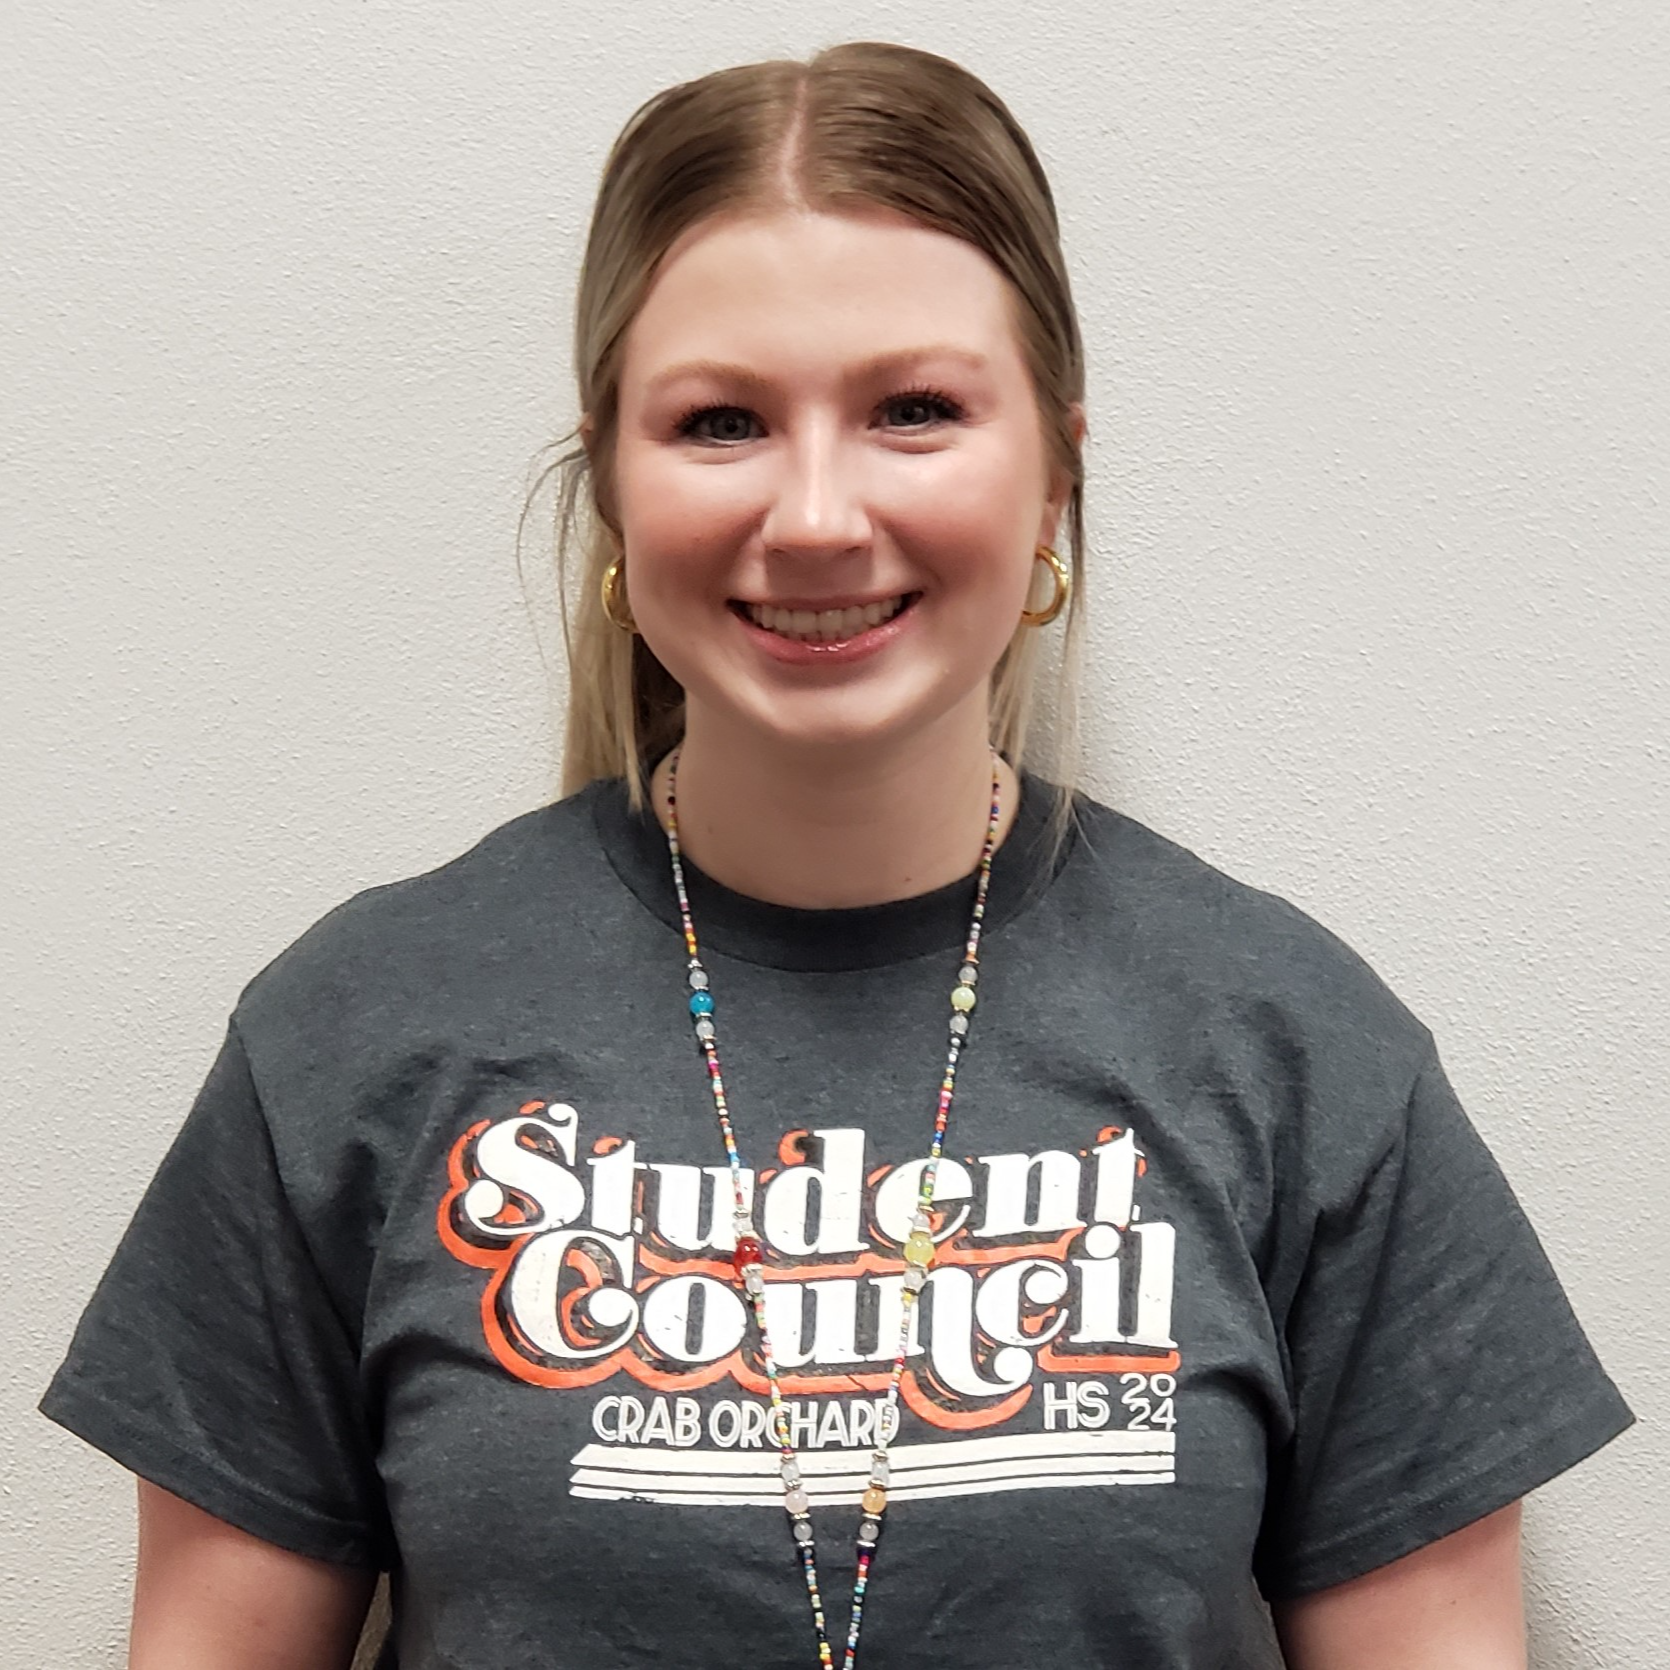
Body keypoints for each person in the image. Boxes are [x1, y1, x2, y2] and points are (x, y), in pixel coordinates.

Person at [42, 40, 1631, 1670]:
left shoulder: (1293, 1047)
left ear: (1055, 463)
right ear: (609, 474)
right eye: (721, 419)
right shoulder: (354, 1033)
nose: (813, 513)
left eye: (914, 410)